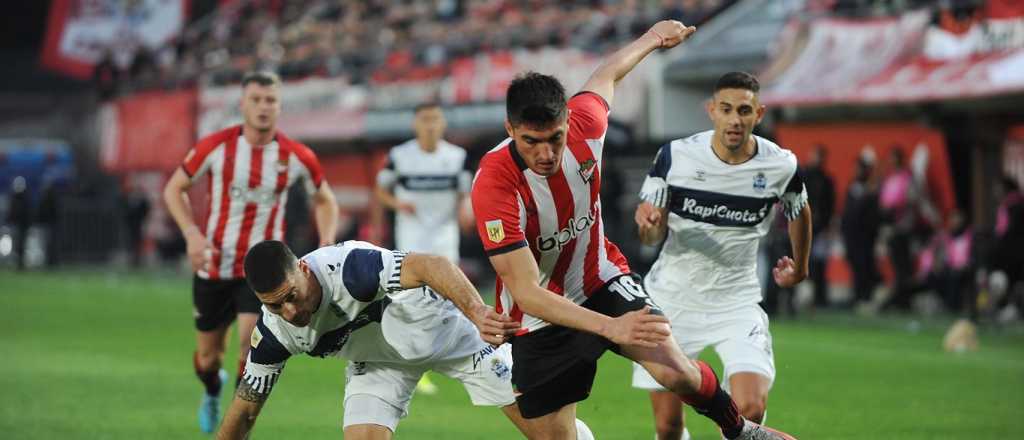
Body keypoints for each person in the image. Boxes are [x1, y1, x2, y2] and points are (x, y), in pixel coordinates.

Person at [471, 21, 796, 440]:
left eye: (555, 137)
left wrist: (653, 39)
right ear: (510, 130)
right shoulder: (494, 185)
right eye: (532, 141)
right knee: (556, 437)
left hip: (602, 279)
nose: (547, 153)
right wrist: (609, 328)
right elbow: (528, 291)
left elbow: (606, 74)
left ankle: (742, 431)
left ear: (569, 119)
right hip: (537, 317)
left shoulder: (587, 124)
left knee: (675, 370)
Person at [217, 240, 591, 439]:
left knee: (550, 436)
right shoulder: (273, 334)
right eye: (274, 305)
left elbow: (433, 266)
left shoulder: (350, 270)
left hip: (447, 333)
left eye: (291, 297)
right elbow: (246, 410)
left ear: (302, 268)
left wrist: (476, 313)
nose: (289, 312)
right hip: (378, 362)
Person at [631, 72, 812, 440]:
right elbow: (652, 232)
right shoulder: (675, 157)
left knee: (750, 410)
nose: (734, 119)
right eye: (726, 109)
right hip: (672, 298)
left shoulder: (780, 164)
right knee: (667, 427)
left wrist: (801, 267)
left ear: (758, 113)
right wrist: (648, 225)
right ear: (711, 110)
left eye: (744, 110)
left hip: (737, 299)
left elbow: (800, 209)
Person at [162, 71, 340, 433]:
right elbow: (174, 189)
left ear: (279, 106)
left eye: (270, 100)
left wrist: (327, 243)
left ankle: (235, 422)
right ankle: (212, 390)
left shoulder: (295, 155)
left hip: (260, 273)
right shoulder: (217, 146)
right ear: (243, 103)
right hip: (214, 266)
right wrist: (192, 234)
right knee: (209, 359)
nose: (263, 107)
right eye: (256, 99)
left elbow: (326, 199)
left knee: (249, 345)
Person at [375, 102, 473, 394]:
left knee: (447, 302)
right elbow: (381, 189)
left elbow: (466, 194)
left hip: (444, 238)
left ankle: (445, 359)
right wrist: (397, 204)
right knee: (411, 303)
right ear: (415, 124)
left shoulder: (457, 157)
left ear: (443, 124)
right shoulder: (400, 156)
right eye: (424, 119)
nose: (430, 125)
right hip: (412, 238)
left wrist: (466, 209)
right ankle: (412, 363)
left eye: (435, 119)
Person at [841, 154, 881, 309]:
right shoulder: (853, 188)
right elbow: (846, 212)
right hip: (851, 235)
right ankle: (858, 295)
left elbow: (872, 216)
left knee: (865, 265)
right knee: (855, 265)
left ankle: (866, 296)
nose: (857, 171)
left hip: (865, 236)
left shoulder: (871, 190)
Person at [802, 145, 835, 309]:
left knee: (819, 264)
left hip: (820, 229)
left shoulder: (827, 180)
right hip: (803, 227)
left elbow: (830, 206)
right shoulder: (804, 176)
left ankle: (818, 297)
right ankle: (805, 297)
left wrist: (828, 226)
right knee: (804, 262)